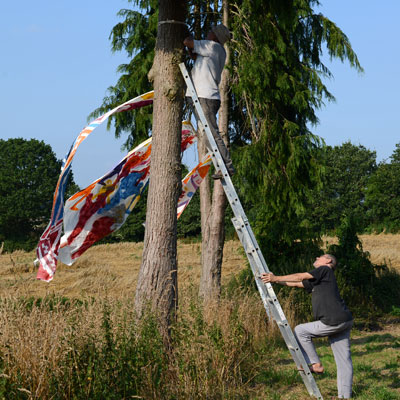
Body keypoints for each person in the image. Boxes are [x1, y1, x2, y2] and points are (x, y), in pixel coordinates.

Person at [261, 254, 353, 399]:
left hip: (333, 320)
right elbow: (298, 283)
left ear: (328, 261)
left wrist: (276, 278)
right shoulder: (320, 279)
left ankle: (315, 364)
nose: (317, 257)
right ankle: (344, 397)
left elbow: (300, 276)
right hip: (344, 320)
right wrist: (274, 281)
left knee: (300, 330)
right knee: (344, 361)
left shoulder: (325, 270)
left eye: (321, 256)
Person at [183, 24, 235, 180]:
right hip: (206, 97)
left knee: (212, 133)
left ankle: (227, 166)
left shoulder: (212, 46)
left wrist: (186, 35)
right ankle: (223, 165)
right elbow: (194, 55)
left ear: (216, 36)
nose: (208, 32)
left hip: (204, 96)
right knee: (207, 136)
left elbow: (188, 42)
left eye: (211, 31)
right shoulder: (217, 50)